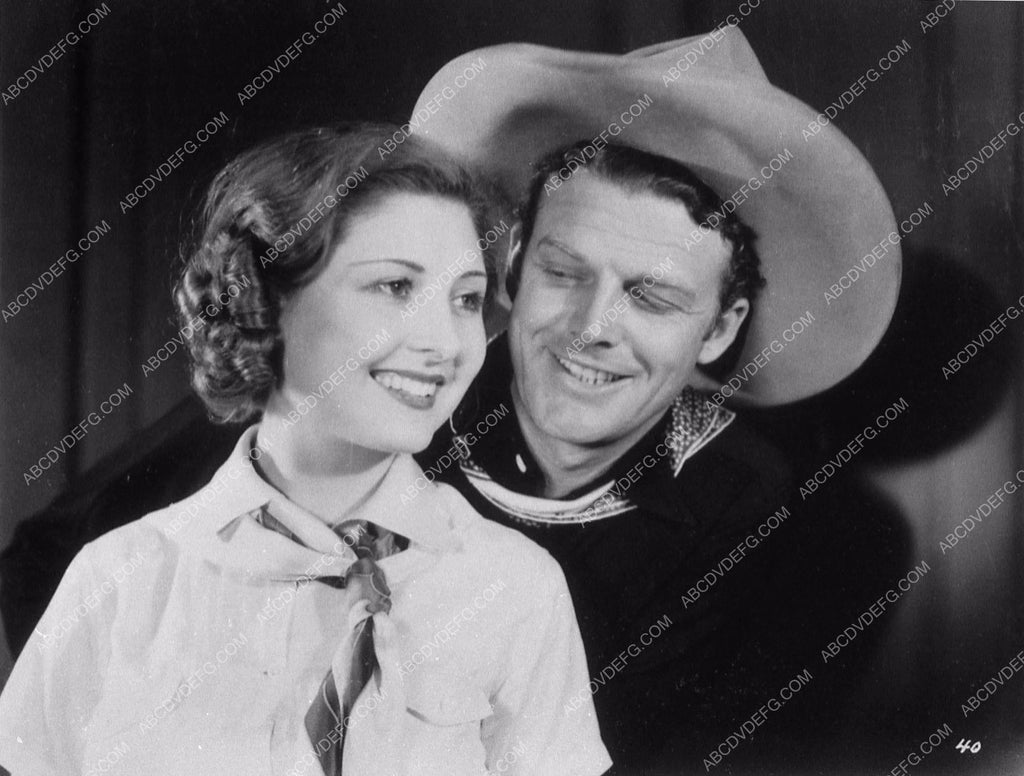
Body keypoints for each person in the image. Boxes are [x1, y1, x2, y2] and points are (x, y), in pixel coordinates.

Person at [0, 125, 611, 776]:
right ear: (263, 297)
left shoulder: (514, 586)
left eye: (465, 299)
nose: (445, 343)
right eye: (395, 287)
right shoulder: (120, 579)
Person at [410, 29, 907, 774]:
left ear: (720, 330)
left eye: (651, 298)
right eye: (564, 273)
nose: (590, 329)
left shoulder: (760, 517)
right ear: (512, 266)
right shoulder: (390, 420)